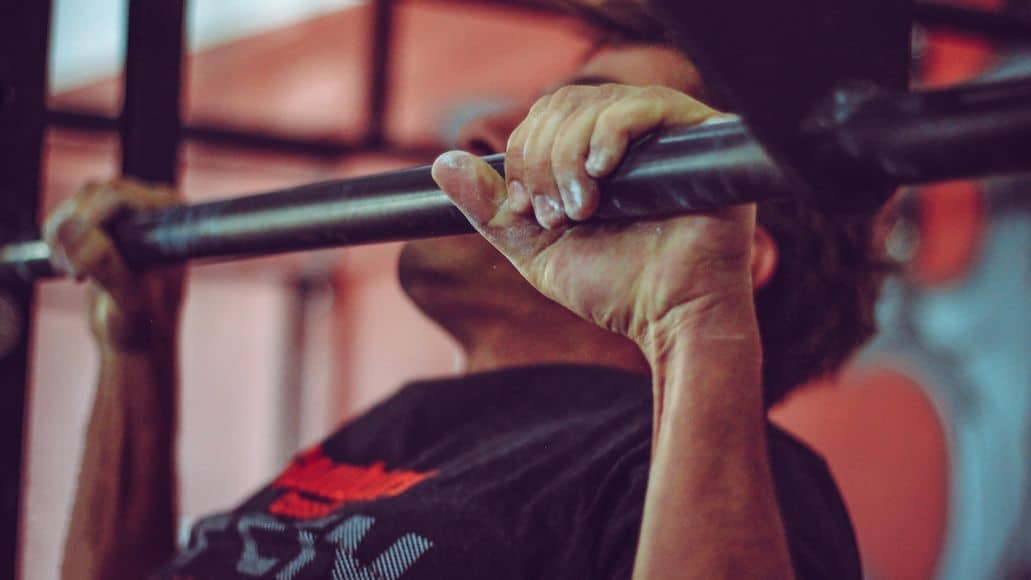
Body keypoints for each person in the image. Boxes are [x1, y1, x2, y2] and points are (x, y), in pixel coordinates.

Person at [46, 2, 886, 579]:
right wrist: (139, 356)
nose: (484, 136)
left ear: (737, 253)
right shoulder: (403, 429)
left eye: (576, 124)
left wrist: (698, 322)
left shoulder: (739, 479)